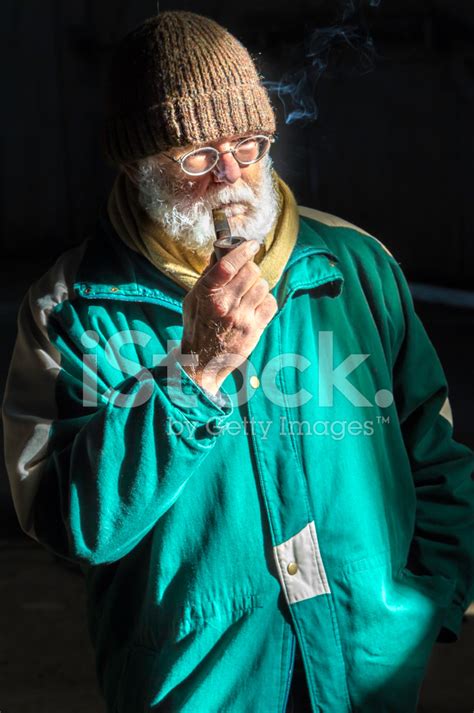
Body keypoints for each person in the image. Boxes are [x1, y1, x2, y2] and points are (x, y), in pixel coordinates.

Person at [2, 10, 473, 713]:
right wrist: (195, 369)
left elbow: (434, 453)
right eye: (196, 156)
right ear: (138, 166)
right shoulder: (71, 308)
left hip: (365, 676)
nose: (231, 175)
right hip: (199, 688)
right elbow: (77, 526)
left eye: (248, 145)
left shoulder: (354, 263)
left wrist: (424, 603)